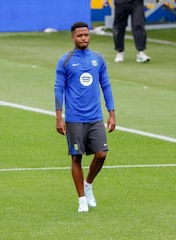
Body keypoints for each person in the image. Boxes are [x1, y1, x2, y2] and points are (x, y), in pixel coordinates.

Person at [54, 22, 116, 213]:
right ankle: (81, 198)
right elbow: (59, 88)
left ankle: (88, 184)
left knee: (102, 154)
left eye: (86, 35)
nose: (84, 39)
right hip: (74, 118)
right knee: (76, 158)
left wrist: (111, 113)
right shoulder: (65, 60)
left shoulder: (98, 58)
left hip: (95, 117)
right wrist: (59, 116)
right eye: (80, 36)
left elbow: (105, 85)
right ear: (73, 37)